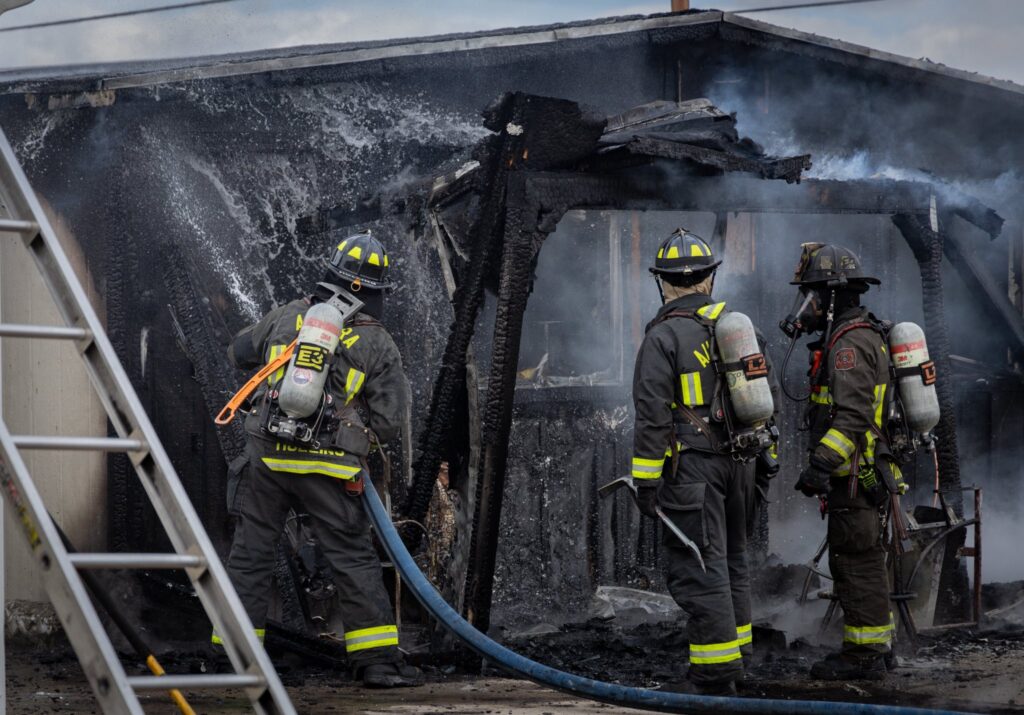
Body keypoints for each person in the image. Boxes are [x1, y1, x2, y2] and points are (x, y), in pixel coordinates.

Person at [219, 231, 419, 688]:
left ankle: (236, 659)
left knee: (250, 556)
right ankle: (377, 664)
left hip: (267, 460)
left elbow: (237, 352)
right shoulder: (378, 342)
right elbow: (389, 422)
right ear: (376, 292)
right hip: (329, 468)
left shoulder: (288, 315)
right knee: (352, 559)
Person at [630, 228, 777, 695]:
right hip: (743, 466)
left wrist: (646, 483)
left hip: (694, 473)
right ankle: (738, 657)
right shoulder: (740, 331)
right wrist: (766, 465)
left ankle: (714, 674)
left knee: (700, 567)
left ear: (663, 283)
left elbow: (653, 417)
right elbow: (768, 406)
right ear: (710, 279)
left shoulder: (662, 338)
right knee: (733, 559)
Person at [782, 243, 904, 681]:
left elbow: (852, 417)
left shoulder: (848, 344)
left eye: (811, 295)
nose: (805, 306)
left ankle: (864, 655)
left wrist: (820, 464)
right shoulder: (860, 334)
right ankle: (877, 648)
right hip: (865, 473)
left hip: (855, 475)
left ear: (831, 296)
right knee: (864, 558)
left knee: (854, 560)